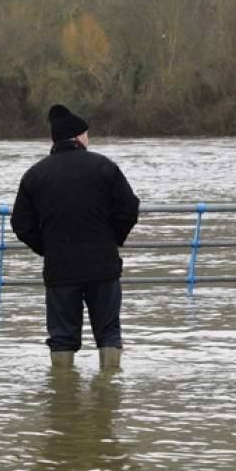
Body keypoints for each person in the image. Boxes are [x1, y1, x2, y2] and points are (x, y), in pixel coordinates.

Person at [12, 104, 140, 369]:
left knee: (61, 338)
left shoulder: (35, 174)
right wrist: (113, 238)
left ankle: (62, 396)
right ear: (80, 136)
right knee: (108, 333)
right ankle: (109, 394)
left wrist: (47, 248)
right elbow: (129, 207)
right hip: (102, 266)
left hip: (60, 269)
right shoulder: (104, 167)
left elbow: (21, 224)